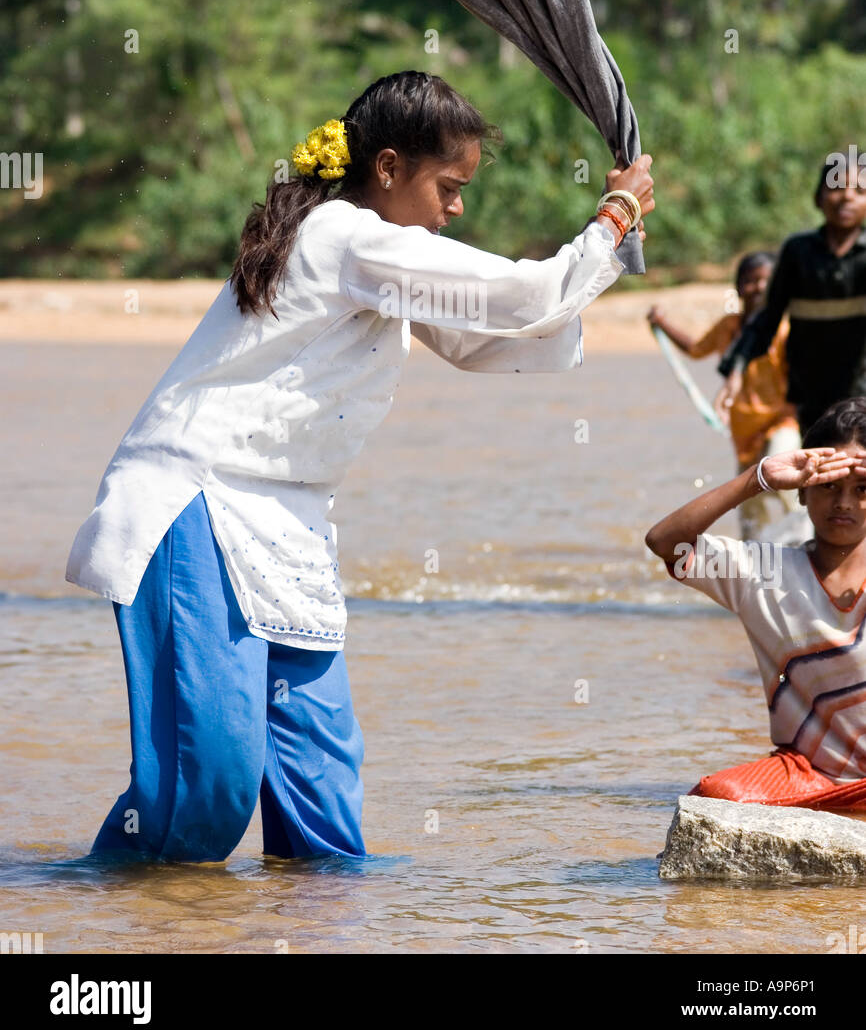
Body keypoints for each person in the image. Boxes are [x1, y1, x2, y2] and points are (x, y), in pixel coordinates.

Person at [66, 69, 654, 863]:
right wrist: (612, 219)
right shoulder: (350, 237)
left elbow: (493, 338)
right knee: (203, 792)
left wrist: (601, 263)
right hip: (199, 503)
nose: (457, 207)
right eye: (449, 186)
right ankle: (118, 926)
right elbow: (527, 297)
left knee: (321, 803)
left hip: (289, 524)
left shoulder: (373, 257)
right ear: (386, 169)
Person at [645, 397, 866, 811]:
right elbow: (665, 543)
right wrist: (758, 478)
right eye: (828, 487)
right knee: (718, 797)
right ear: (802, 493)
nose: (844, 503)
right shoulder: (762, 572)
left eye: (862, 490)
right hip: (809, 776)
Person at [648, 253, 801, 542]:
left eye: (766, 281)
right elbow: (695, 349)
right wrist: (662, 323)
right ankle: (754, 567)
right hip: (744, 432)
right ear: (739, 287)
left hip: (782, 422)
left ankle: (808, 551)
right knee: (750, 508)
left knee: (787, 484)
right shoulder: (728, 328)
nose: (758, 287)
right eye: (751, 281)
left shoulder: (783, 329)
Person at [720, 153, 866, 438]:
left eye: (859, 191)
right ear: (817, 198)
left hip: (863, 394)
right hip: (809, 400)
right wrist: (736, 370)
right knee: (817, 473)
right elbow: (766, 319)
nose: (847, 197)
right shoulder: (798, 253)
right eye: (836, 188)